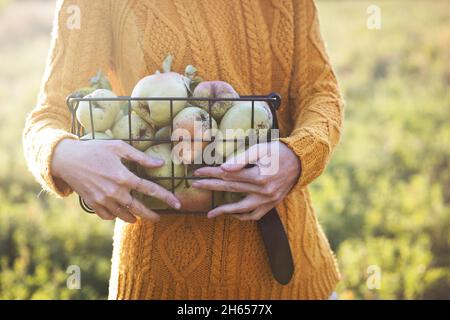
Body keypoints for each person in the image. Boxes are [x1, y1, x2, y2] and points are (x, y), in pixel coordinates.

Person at [23, 0, 343, 299]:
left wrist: (298, 157)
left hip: (292, 272)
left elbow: (321, 92)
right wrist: (63, 156)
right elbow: (48, 117)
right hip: (161, 281)